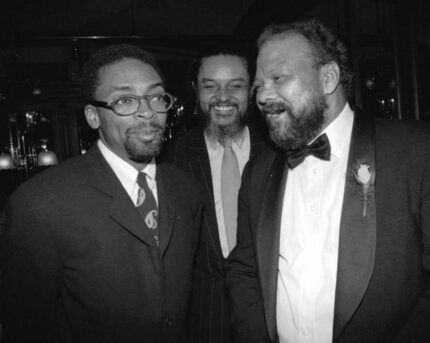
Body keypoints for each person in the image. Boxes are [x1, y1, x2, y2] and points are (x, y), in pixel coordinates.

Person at [226, 19, 430, 343]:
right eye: (258, 85)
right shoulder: (259, 170)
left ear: (328, 78)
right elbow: (245, 270)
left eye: (278, 77)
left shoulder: (413, 151)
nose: (263, 95)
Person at [0, 44, 203, 343]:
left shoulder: (186, 189)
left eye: (156, 97)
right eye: (125, 100)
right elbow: (25, 326)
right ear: (93, 117)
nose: (147, 112)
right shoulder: (39, 204)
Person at [162, 46, 269, 343]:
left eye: (235, 85)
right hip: (204, 315)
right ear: (196, 91)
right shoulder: (173, 157)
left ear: (252, 90)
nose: (223, 96)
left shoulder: (278, 151)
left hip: (273, 309)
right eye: (211, 86)